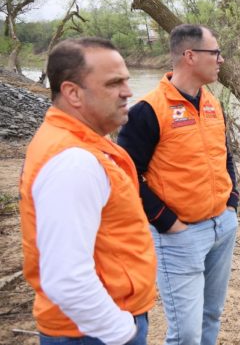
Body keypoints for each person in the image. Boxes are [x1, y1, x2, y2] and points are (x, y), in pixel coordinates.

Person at [18, 38, 157, 345]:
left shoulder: (80, 143)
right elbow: (66, 278)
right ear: (72, 93)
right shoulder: (74, 162)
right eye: (114, 83)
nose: (128, 92)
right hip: (91, 332)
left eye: (127, 80)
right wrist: (120, 332)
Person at [117, 24, 239, 345]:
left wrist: (232, 205)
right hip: (180, 237)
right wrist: (167, 223)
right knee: (186, 333)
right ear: (189, 56)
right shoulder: (147, 111)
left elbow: (225, 156)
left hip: (222, 229)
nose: (220, 60)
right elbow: (126, 175)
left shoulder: (212, 102)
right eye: (215, 53)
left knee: (211, 316)